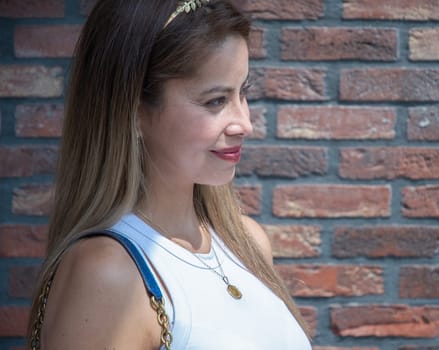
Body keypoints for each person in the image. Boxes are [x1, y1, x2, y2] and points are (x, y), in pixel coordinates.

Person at [26, 0, 312, 348]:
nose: (245, 124)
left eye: (242, 93)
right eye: (216, 101)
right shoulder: (108, 273)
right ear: (132, 111)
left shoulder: (247, 243)